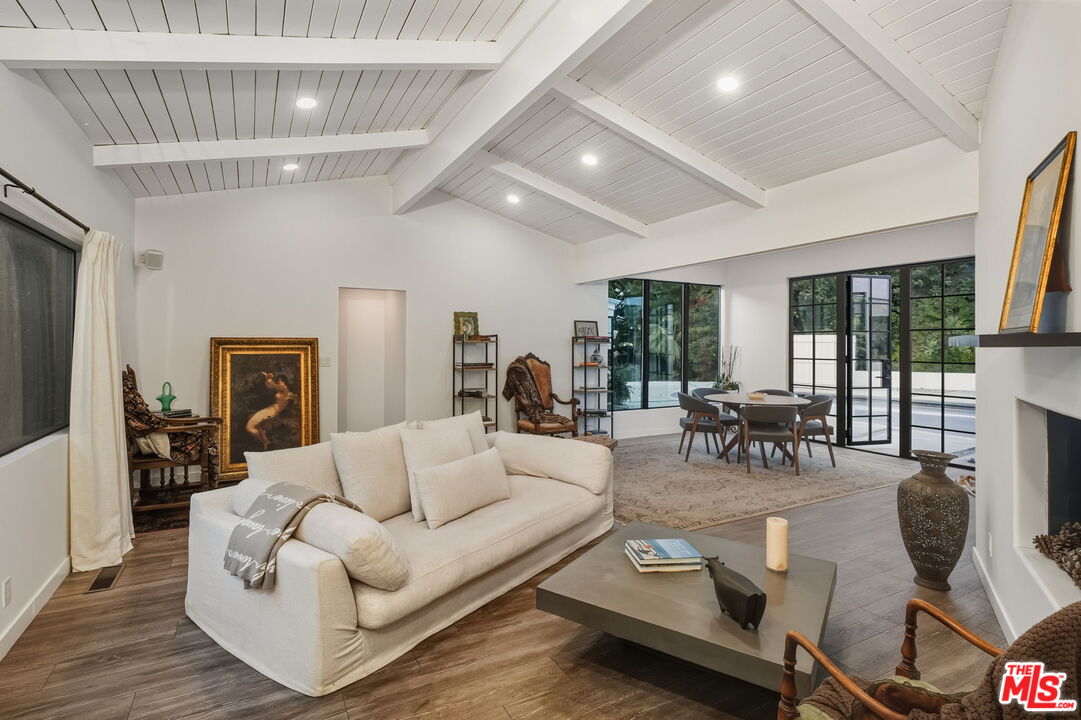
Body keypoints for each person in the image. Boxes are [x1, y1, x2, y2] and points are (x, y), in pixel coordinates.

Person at [245, 371, 293, 450]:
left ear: (284, 382)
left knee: (249, 427)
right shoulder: (282, 389)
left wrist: (269, 379)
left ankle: (266, 441)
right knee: (255, 426)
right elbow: (270, 386)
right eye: (278, 382)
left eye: (280, 382)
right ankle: (265, 441)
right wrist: (267, 379)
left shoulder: (285, 389)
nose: (279, 383)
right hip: (270, 410)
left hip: (272, 411)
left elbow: (273, 385)